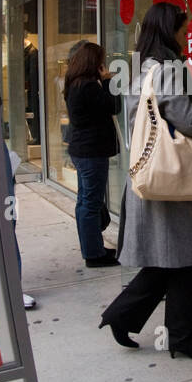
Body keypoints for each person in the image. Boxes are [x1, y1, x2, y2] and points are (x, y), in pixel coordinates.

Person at [99, 2, 192, 359]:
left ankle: (123, 316)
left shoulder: (143, 69)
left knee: (169, 260)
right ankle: (184, 340)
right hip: (171, 182)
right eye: (183, 31)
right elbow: (189, 121)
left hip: (150, 176)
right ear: (169, 31)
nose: (187, 37)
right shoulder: (171, 68)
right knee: (186, 260)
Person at [64, 41, 121, 267]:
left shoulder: (74, 83)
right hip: (91, 151)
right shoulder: (88, 86)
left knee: (85, 201)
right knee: (91, 203)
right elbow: (113, 105)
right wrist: (107, 81)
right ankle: (94, 254)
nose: (103, 64)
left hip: (83, 150)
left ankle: (92, 249)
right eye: (101, 60)